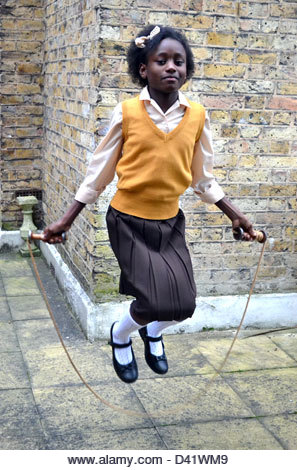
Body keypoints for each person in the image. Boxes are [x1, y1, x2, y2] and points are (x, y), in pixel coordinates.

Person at [43, 25, 256, 384]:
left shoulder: (197, 117)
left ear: (187, 70)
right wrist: (66, 220)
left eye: (180, 61)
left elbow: (203, 179)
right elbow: (98, 173)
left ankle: (152, 332)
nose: (172, 67)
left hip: (170, 223)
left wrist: (235, 215)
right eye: (162, 61)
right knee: (154, 300)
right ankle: (121, 335)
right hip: (127, 221)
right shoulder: (127, 112)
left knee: (184, 305)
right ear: (144, 69)